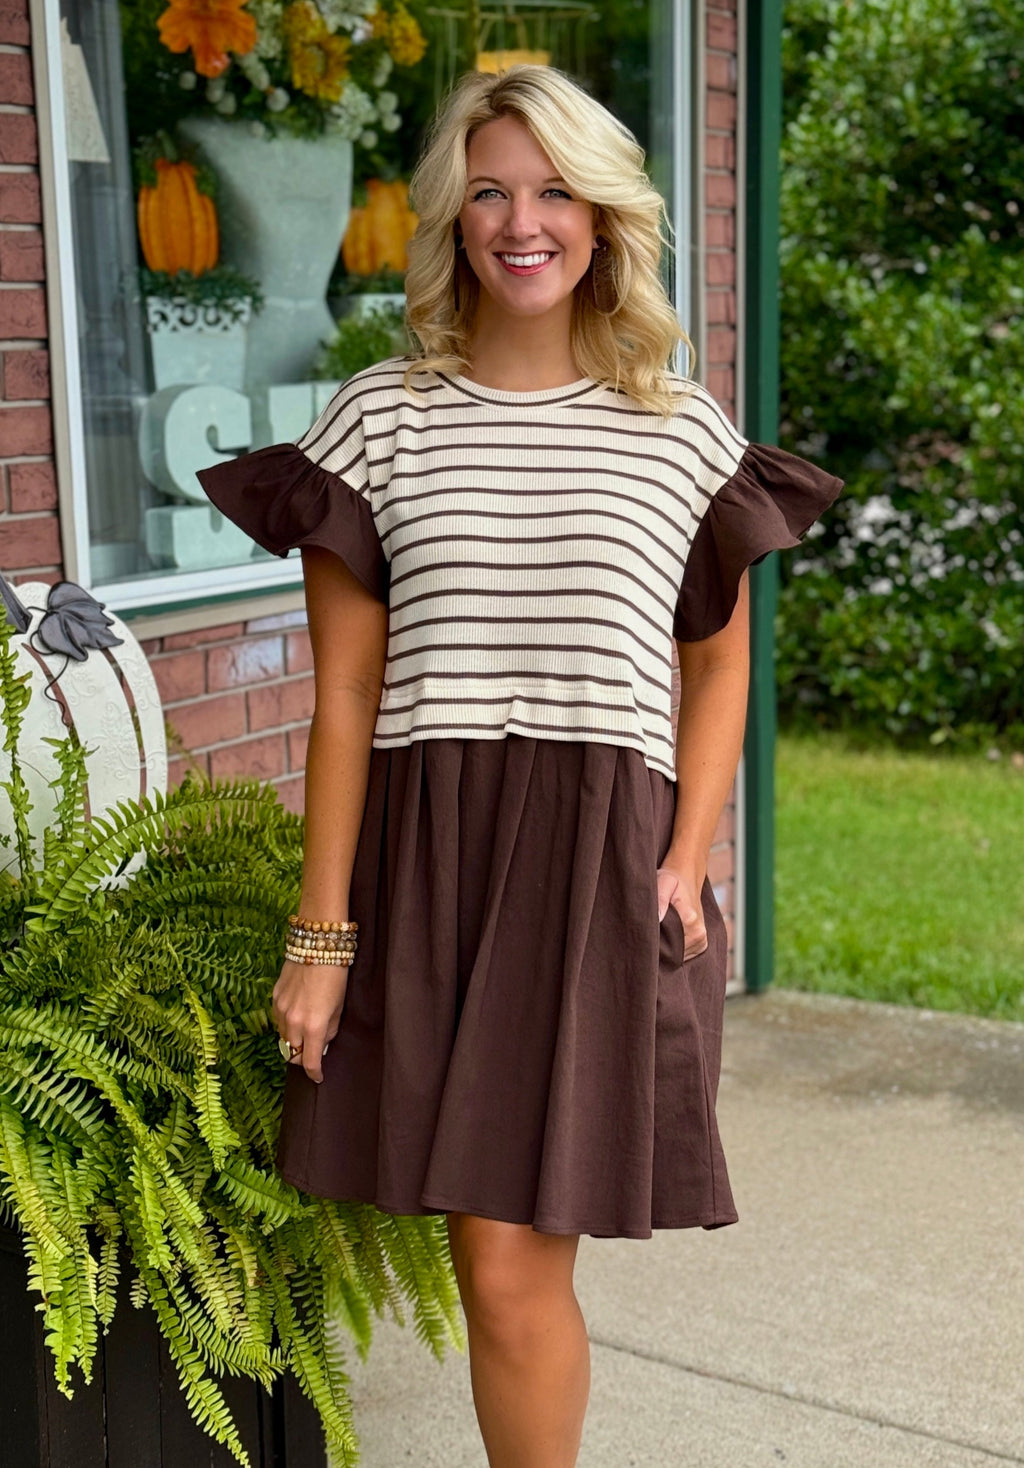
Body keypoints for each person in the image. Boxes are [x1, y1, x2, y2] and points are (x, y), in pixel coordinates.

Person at [199, 63, 842, 1468]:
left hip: (596, 861)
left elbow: (718, 663)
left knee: (507, 1266)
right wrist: (322, 932)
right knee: (490, 1256)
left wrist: (686, 857)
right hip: (431, 856)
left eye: (555, 189)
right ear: (452, 220)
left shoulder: (680, 433)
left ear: (604, 220)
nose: (521, 219)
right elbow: (346, 694)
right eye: (489, 189)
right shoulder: (381, 424)